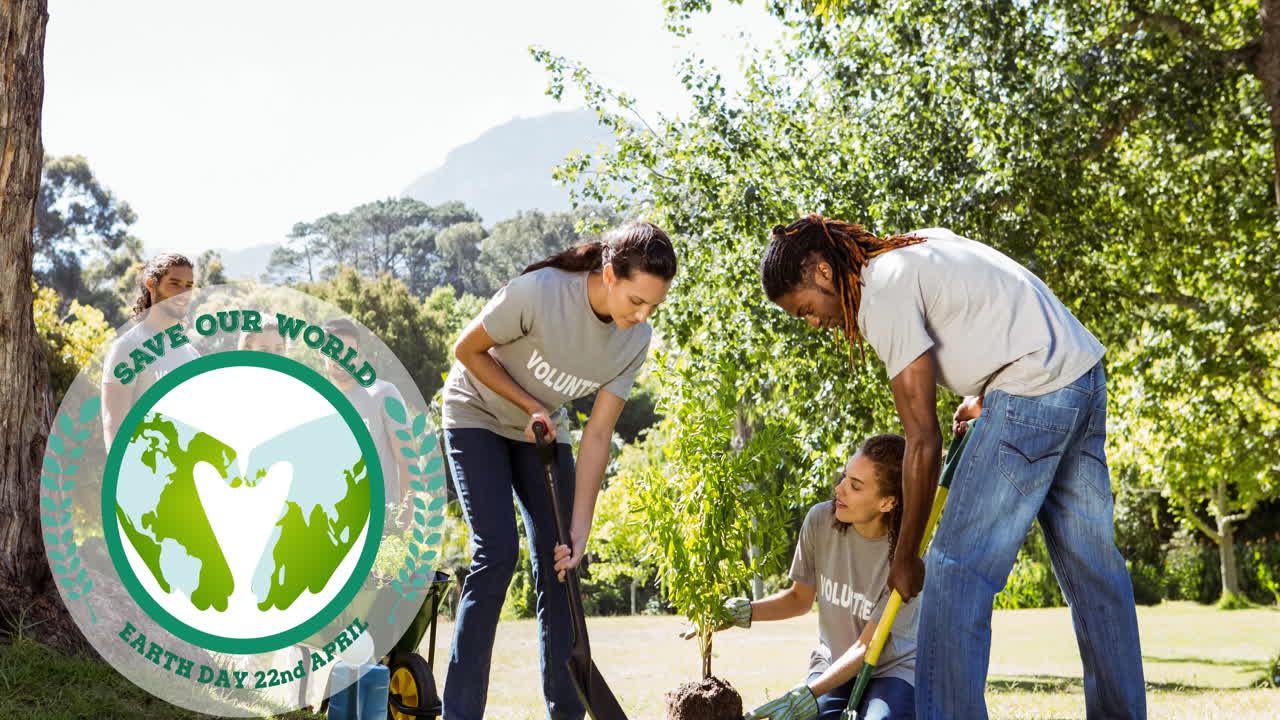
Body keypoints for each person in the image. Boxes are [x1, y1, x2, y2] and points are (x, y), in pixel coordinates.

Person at [759, 216, 1146, 719]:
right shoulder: (920, 247)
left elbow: (922, 441)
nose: (813, 322)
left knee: (953, 571)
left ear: (824, 273)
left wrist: (905, 555)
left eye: (806, 309)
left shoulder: (880, 293)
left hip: (1033, 390)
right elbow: (999, 309)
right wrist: (980, 391)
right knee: (1094, 574)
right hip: (1081, 377)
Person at [440, 221, 677, 720]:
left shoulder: (635, 339)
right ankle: (461, 713)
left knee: (559, 564)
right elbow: (465, 350)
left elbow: (597, 437)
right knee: (497, 552)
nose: (643, 315)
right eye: (637, 300)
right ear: (609, 274)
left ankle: (564, 713)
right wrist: (530, 404)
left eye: (654, 305)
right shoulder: (540, 293)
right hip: (475, 414)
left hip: (542, 430)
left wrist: (580, 531)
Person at [697, 435, 916, 720]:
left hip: (891, 670)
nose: (840, 489)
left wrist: (808, 695)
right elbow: (800, 599)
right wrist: (744, 611)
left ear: (887, 502)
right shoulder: (820, 521)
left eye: (855, 486)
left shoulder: (907, 558)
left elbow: (867, 646)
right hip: (833, 663)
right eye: (844, 477)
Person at [102, 253, 199, 448]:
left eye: (188, 286)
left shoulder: (192, 354)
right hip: (143, 473)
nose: (183, 293)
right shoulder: (127, 348)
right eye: (174, 284)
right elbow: (114, 425)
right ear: (151, 284)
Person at [321, 317, 411, 506]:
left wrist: (405, 519)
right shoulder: (317, 403)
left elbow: (407, 461)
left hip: (382, 517)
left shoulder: (384, 394)